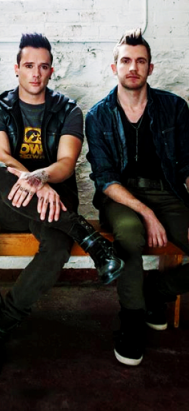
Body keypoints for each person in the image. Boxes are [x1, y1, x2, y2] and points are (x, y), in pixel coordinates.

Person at [0, 33, 124, 378]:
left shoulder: (69, 110)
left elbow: (66, 163)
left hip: (55, 208)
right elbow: (0, 155)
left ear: (52, 71)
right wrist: (37, 185)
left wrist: (41, 177)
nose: (35, 73)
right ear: (17, 69)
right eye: (28, 66)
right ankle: (89, 237)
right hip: (14, 206)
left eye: (43, 67)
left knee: (56, 249)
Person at [85, 29, 189, 366]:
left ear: (150, 68)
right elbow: (105, 178)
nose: (133, 67)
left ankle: (156, 291)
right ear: (113, 67)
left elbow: (186, 165)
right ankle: (131, 318)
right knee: (129, 233)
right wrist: (147, 213)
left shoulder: (174, 107)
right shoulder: (98, 116)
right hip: (121, 196)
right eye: (126, 60)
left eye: (140, 61)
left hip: (168, 190)